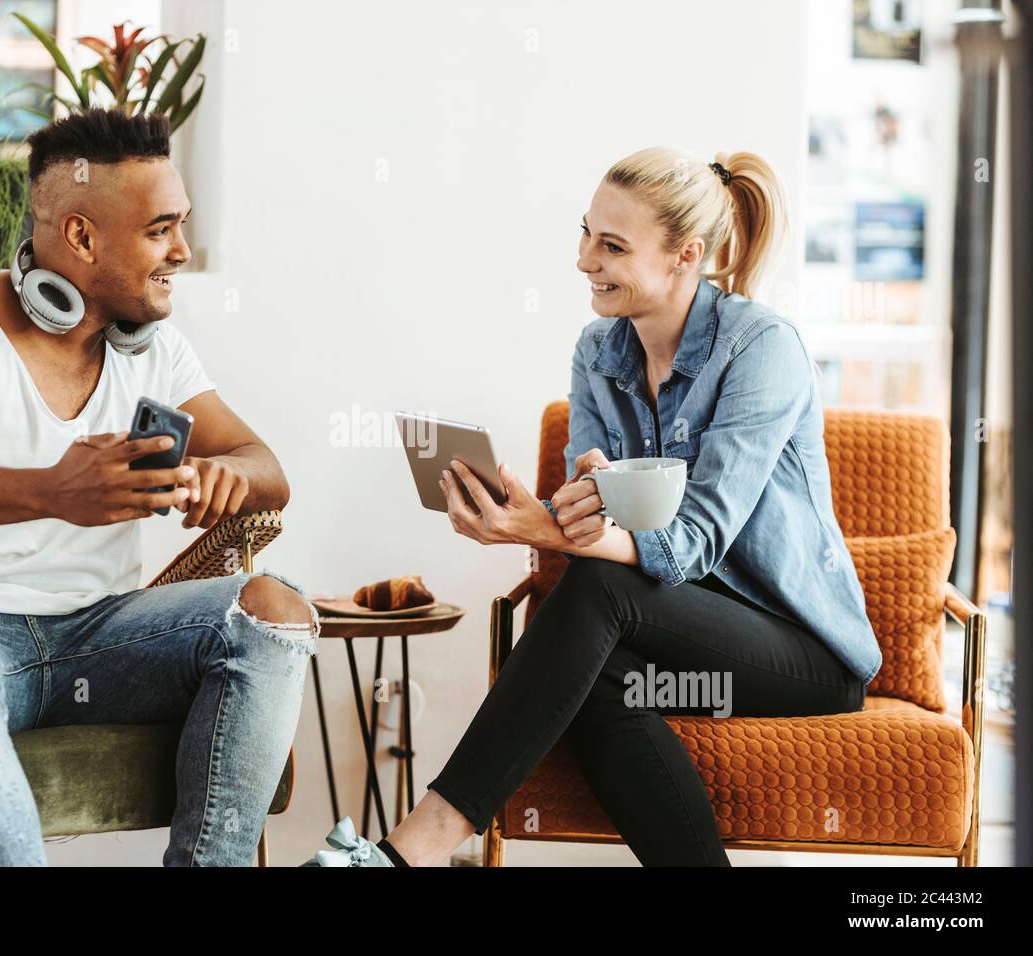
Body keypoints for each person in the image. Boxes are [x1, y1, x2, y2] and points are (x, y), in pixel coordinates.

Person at [304, 147, 881, 868]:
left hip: (802, 653)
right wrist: (551, 509)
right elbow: (593, 520)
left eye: (611, 245)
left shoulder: (762, 350)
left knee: (598, 589)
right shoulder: (598, 352)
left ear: (684, 256)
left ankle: (408, 850)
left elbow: (693, 542)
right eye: (585, 234)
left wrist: (547, 528)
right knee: (598, 683)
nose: (584, 259)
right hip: (676, 634)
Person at [0, 108, 318, 867]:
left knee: (274, 610)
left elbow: (265, 466)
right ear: (80, 237)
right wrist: (51, 490)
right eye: (160, 229)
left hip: (99, 636)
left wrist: (227, 474)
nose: (181, 251)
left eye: (181, 225)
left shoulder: (159, 352)